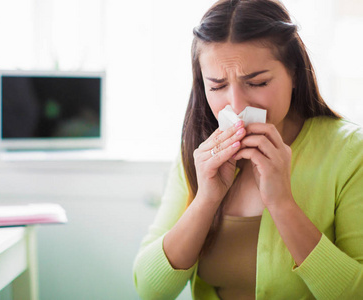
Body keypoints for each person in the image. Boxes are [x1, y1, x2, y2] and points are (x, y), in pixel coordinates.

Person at [133, 0, 363, 299]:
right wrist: (206, 199)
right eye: (217, 86)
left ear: (294, 73)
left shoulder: (349, 152)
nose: (237, 105)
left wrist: (281, 203)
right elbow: (150, 291)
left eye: (257, 82)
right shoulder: (197, 150)